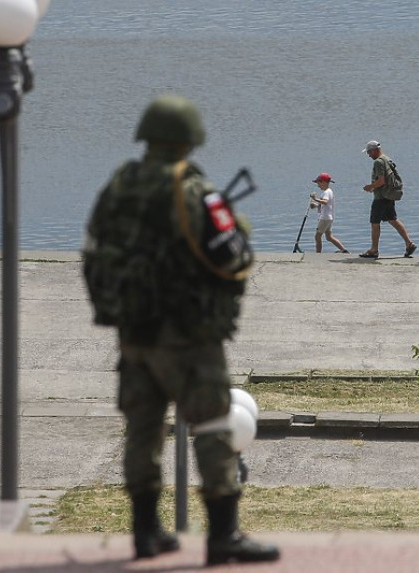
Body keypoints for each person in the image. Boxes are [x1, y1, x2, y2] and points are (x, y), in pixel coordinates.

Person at [82, 94, 279, 566]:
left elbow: (93, 250)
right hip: (189, 335)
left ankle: (146, 534)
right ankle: (223, 535)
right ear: (190, 140)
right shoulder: (193, 191)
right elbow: (231, 255)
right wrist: (240, 224)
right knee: (212, 423)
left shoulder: (119, 184)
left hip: (134, 330)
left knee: (142, 429)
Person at [360, 140, 416, 259]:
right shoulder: (387, 159)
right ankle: (409, 243)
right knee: (393, 219)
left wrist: (370, 187)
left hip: (381, 197)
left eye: (369, 152)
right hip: (389, 195)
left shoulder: (378, 162)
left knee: (374, 223)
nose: (369, 155)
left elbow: (381, 181)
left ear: (375, 150)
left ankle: (374, 250)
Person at [309, 172, 348, 253]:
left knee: (317, 236)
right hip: (329, 218)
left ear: (323, 182)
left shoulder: (327, 192)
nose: (317, 185)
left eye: (318, 183)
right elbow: (325, 205)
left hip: (324, 218)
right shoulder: (328, 191)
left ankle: (318, 254)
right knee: (329, 237)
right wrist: (316, 205)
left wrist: (315, 198)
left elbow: (325, 202)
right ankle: (343, 250)